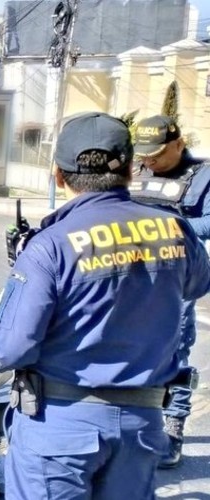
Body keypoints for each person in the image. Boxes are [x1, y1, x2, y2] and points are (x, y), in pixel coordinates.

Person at [0, 112, 210, 499]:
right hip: (141, 428)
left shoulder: (50, 245)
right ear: (131, 170)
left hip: (59, 429)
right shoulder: (174, 229)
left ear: (58, 175)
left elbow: (8, 349)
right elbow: (197, 283)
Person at [127, 115, 210, 468]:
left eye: (157, 154)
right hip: (128, 271)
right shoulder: (136, 168)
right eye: (145, 155)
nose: (150, 162)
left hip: (176, 275)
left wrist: (165, 227)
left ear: (178, 143)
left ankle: (172, 428)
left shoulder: (202, 175)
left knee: (173, 350)